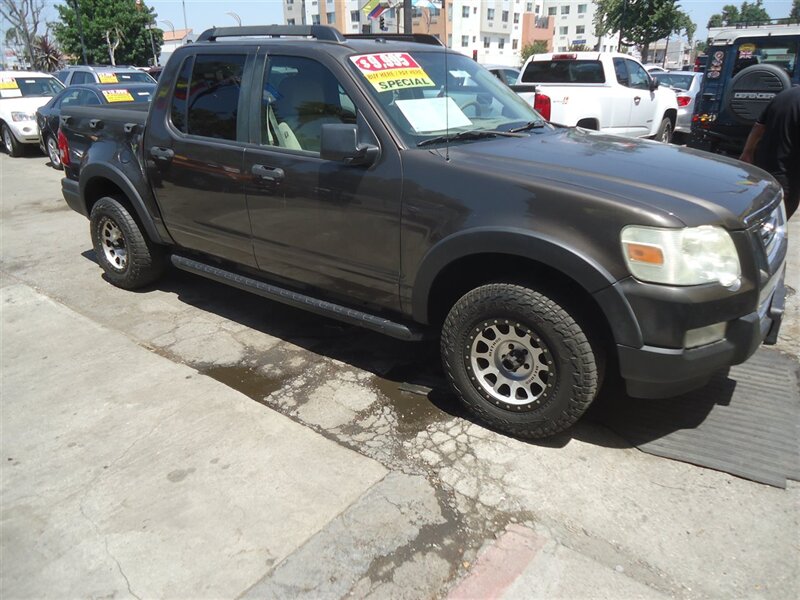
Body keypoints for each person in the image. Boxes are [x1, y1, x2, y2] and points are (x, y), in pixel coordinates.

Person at [739, 85, 800, 219]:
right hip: (787, 175)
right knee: (775, 219)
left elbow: (758, 127)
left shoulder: (783, 95)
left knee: (758, 208)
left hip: (763, 167)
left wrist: (747, 152)